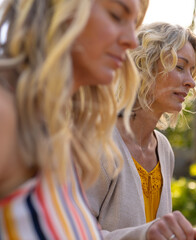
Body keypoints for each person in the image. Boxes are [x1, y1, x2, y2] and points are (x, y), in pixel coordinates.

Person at [0, 0, 148, 238]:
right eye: (116, 15)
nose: (133, 40)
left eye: (134, 23)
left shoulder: (59, 132)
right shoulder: (6, 116)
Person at [87, 22, 196, 240]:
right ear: (145, 68)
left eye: (192, 72)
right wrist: (146, 233)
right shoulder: (98, 142)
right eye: (180, 67)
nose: (191, 82)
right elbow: (73, 233)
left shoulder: (162, 148)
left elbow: (162, 236)